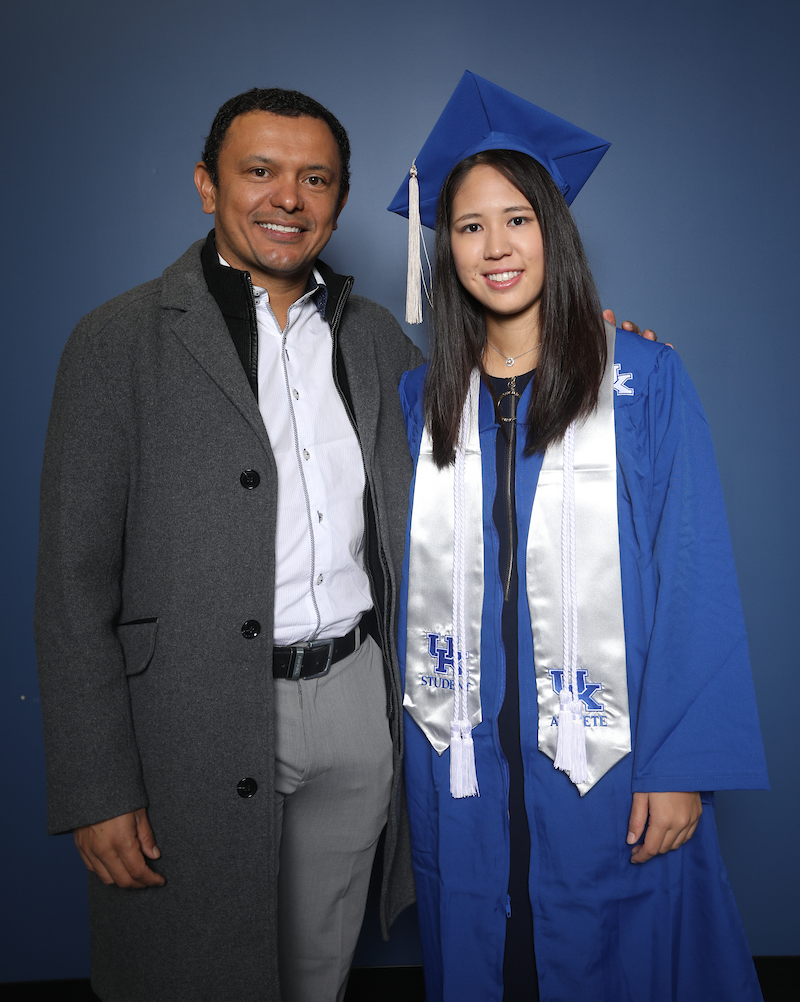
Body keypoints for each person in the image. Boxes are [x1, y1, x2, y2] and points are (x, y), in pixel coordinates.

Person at [34, 87, 424, 1002]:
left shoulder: (378, 341)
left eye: (315, 179)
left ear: (337, 200)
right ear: (208, 186)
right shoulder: (115, 342)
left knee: (316, 969)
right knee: (189, 970)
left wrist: (591, 346)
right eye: (261, 172)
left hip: (354, 704)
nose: (289, 198)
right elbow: (70, 588)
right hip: (190, 718)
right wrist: (96, 786)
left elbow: (478, 440)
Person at [389, 72, 769, 1002]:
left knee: (616, 951)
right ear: (446, 251)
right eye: (470, 226)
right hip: (467, 750)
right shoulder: (422, 398)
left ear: (552, 232)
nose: (495, 246)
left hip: (606, 747)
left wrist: (684, 769)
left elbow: (693, 573)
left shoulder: (639, 375)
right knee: (490, 947)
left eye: (516, 218)